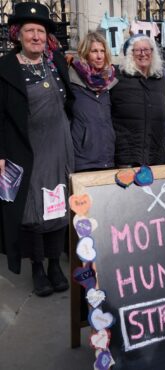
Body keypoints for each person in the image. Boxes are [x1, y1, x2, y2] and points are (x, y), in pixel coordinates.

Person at [0, 2, 74, 296]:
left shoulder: (56, 61)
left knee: (58, 208)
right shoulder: (6, 69)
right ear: (18, 34)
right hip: (27, 150)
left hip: (60, 146)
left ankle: (56, 264)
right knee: (33, 211)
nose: (35, 36)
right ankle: (38, 269)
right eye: (29, 30)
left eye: (40, 31)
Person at [110, 34, 165, 167]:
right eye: (138, 50)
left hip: (155, 156)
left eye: (147, 50)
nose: (143, 54)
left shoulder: (160, 80)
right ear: (130, 54)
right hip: (126, 156)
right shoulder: (117, 78)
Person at [69, 31, 117, 171]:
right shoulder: (72, 81)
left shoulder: (111, 80)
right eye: (94, 51)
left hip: (108, 159)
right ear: (85, 53)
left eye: (102, 51)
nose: (99, 56)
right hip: (83, 160)